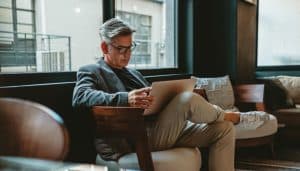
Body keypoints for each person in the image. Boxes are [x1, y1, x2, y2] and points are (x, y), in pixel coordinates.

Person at [72, 18, 240, 171]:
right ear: (104, 47)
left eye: (130, 48)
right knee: (187, 99)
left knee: (223, 129)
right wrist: (126, 98)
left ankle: (223, 119)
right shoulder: (92, 71)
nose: (127, 54)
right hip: (135, 136)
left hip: (160, 129)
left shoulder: (134, 73)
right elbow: (80, 97)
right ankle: (224, 114)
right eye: (120, 49)